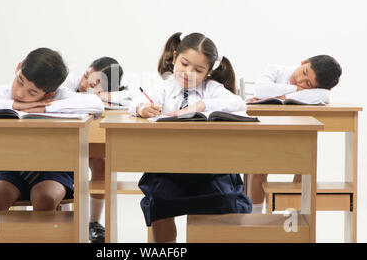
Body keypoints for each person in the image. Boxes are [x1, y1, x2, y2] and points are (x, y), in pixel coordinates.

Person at [129, 32, 252, 243]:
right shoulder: (163, 89)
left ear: (209, 72)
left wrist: (200, 106)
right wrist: (142, 108)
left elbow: (238, 104)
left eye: (198, 70)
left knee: (221, 198)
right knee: (160, 203)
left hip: (210, 169)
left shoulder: (211, 89)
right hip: (168, 167)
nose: (188, 73)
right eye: (184, 64)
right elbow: (134, 103)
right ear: (175, 57)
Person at [0, 47, 104, 212]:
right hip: (12, 168)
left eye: (32, 92)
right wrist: (14, 106)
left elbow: (96, 104)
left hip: (53, 169)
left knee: (45, 198)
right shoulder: (5, 93)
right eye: (20, 81)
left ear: (49, 94)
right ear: (18, 68)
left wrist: (44, 109)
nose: (20, 93)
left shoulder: (59, 96)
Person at [247, 55, 342, 213]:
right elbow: (260, 89)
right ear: (304, 62)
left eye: (308, 84)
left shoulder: (322, 92)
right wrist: (296, 91)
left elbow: (325, 96)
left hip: (295, 133)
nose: (300, 80)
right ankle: (255, 217)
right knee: (259, 169)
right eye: (304, 72)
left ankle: (297, 218)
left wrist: (281, 96)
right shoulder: (276, 70)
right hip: (266, 129)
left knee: (304, 165)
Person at [63, 56, 134, 243]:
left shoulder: (112, 96)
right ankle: (64, 221)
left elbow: (131, 98)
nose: (85, 83)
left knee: (101, 164)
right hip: (64, 141)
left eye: (94, 84)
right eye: (87, 75)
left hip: (88, 140)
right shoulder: (69, 81)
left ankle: (93, 222)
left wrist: (100, 96)